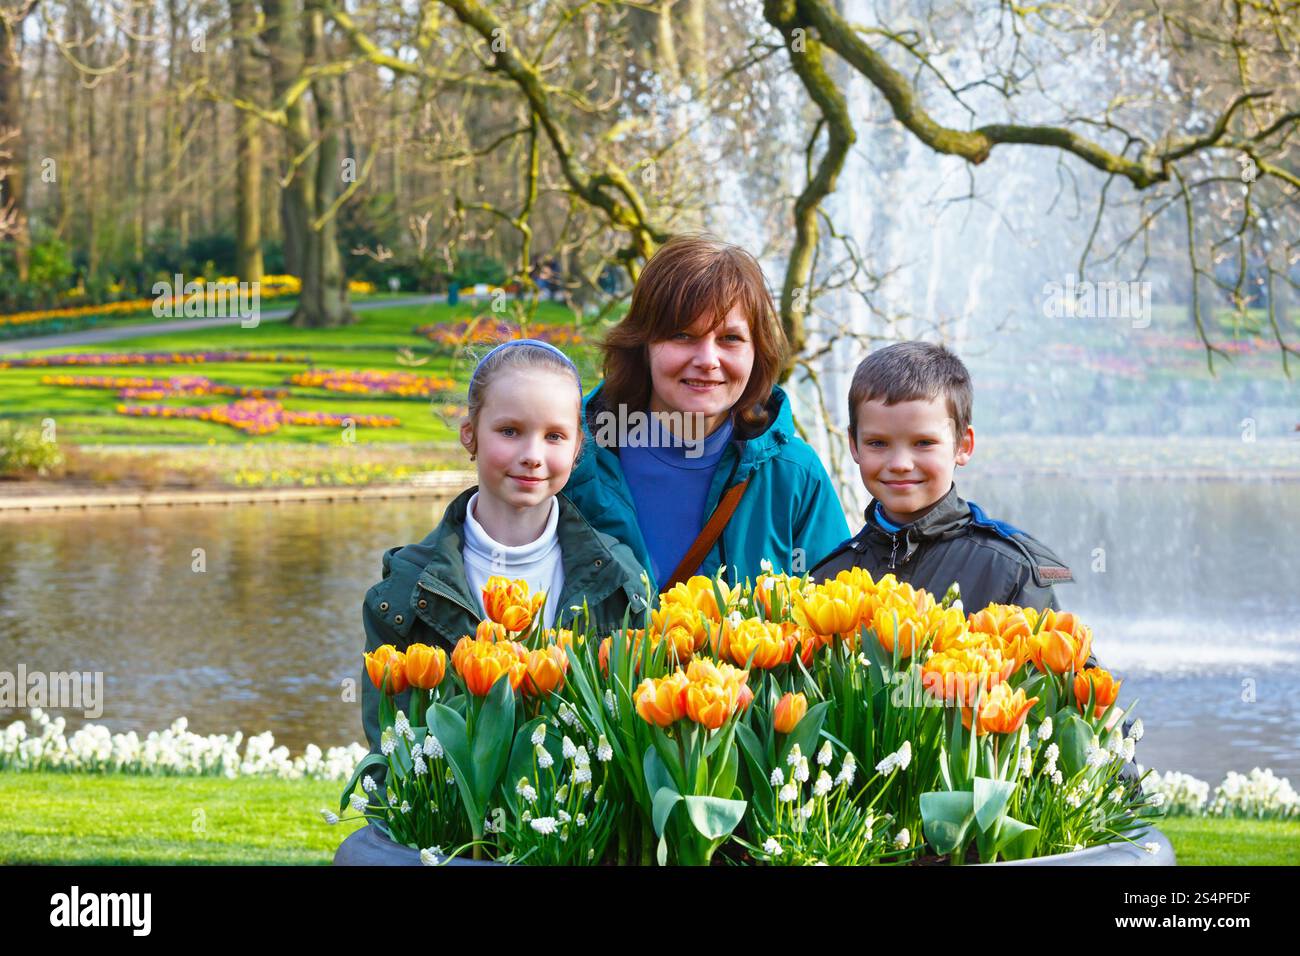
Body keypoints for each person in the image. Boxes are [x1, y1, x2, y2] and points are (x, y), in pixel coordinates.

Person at [359, 340, 647, 764]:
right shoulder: (403, 590)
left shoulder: (621, 579)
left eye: (554, 436)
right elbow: (391, 755)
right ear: (470, 433)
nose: (532, 456)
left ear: (578, 446)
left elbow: (635, 738)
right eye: (510, 431)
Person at [562, 234, 850, 594]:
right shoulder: (573, 463)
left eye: (730, 339)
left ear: (756, 351)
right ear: (642, 344)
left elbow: (838, 629)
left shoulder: (794, 475)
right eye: (682, 335)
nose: (707, 360)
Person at [809, 341, 1073, 613]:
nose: (900, 464)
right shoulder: (829, 580)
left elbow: (1065, 653)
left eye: (923, 443)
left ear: (962, 445)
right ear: (854, 445)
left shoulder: (1011, 570)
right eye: (878, 443)